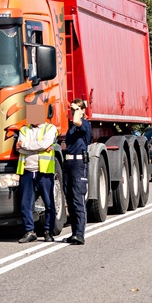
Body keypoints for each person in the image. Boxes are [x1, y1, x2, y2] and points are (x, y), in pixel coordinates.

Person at [16, 104, 58, 243]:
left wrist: (26, 146)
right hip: (27, 170)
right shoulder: (24, 129)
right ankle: (29, 231)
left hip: (44, 170)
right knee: (25, 203)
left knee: (49, 202)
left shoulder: (50, 128)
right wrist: (38, 147)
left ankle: (48, 231)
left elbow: (45, 143)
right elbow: (19, 149)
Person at [62, 98, 92, 245]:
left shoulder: (84, 124)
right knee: (69, 198)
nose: (72, 112)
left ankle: (80, 234)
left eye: (75, 110)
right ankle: (74, 233)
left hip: (79, 163)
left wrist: (78, 111)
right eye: (72, 110)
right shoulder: (71, 127)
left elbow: (76, 121)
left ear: (82, 111)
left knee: (78, 199)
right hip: (68, 163)